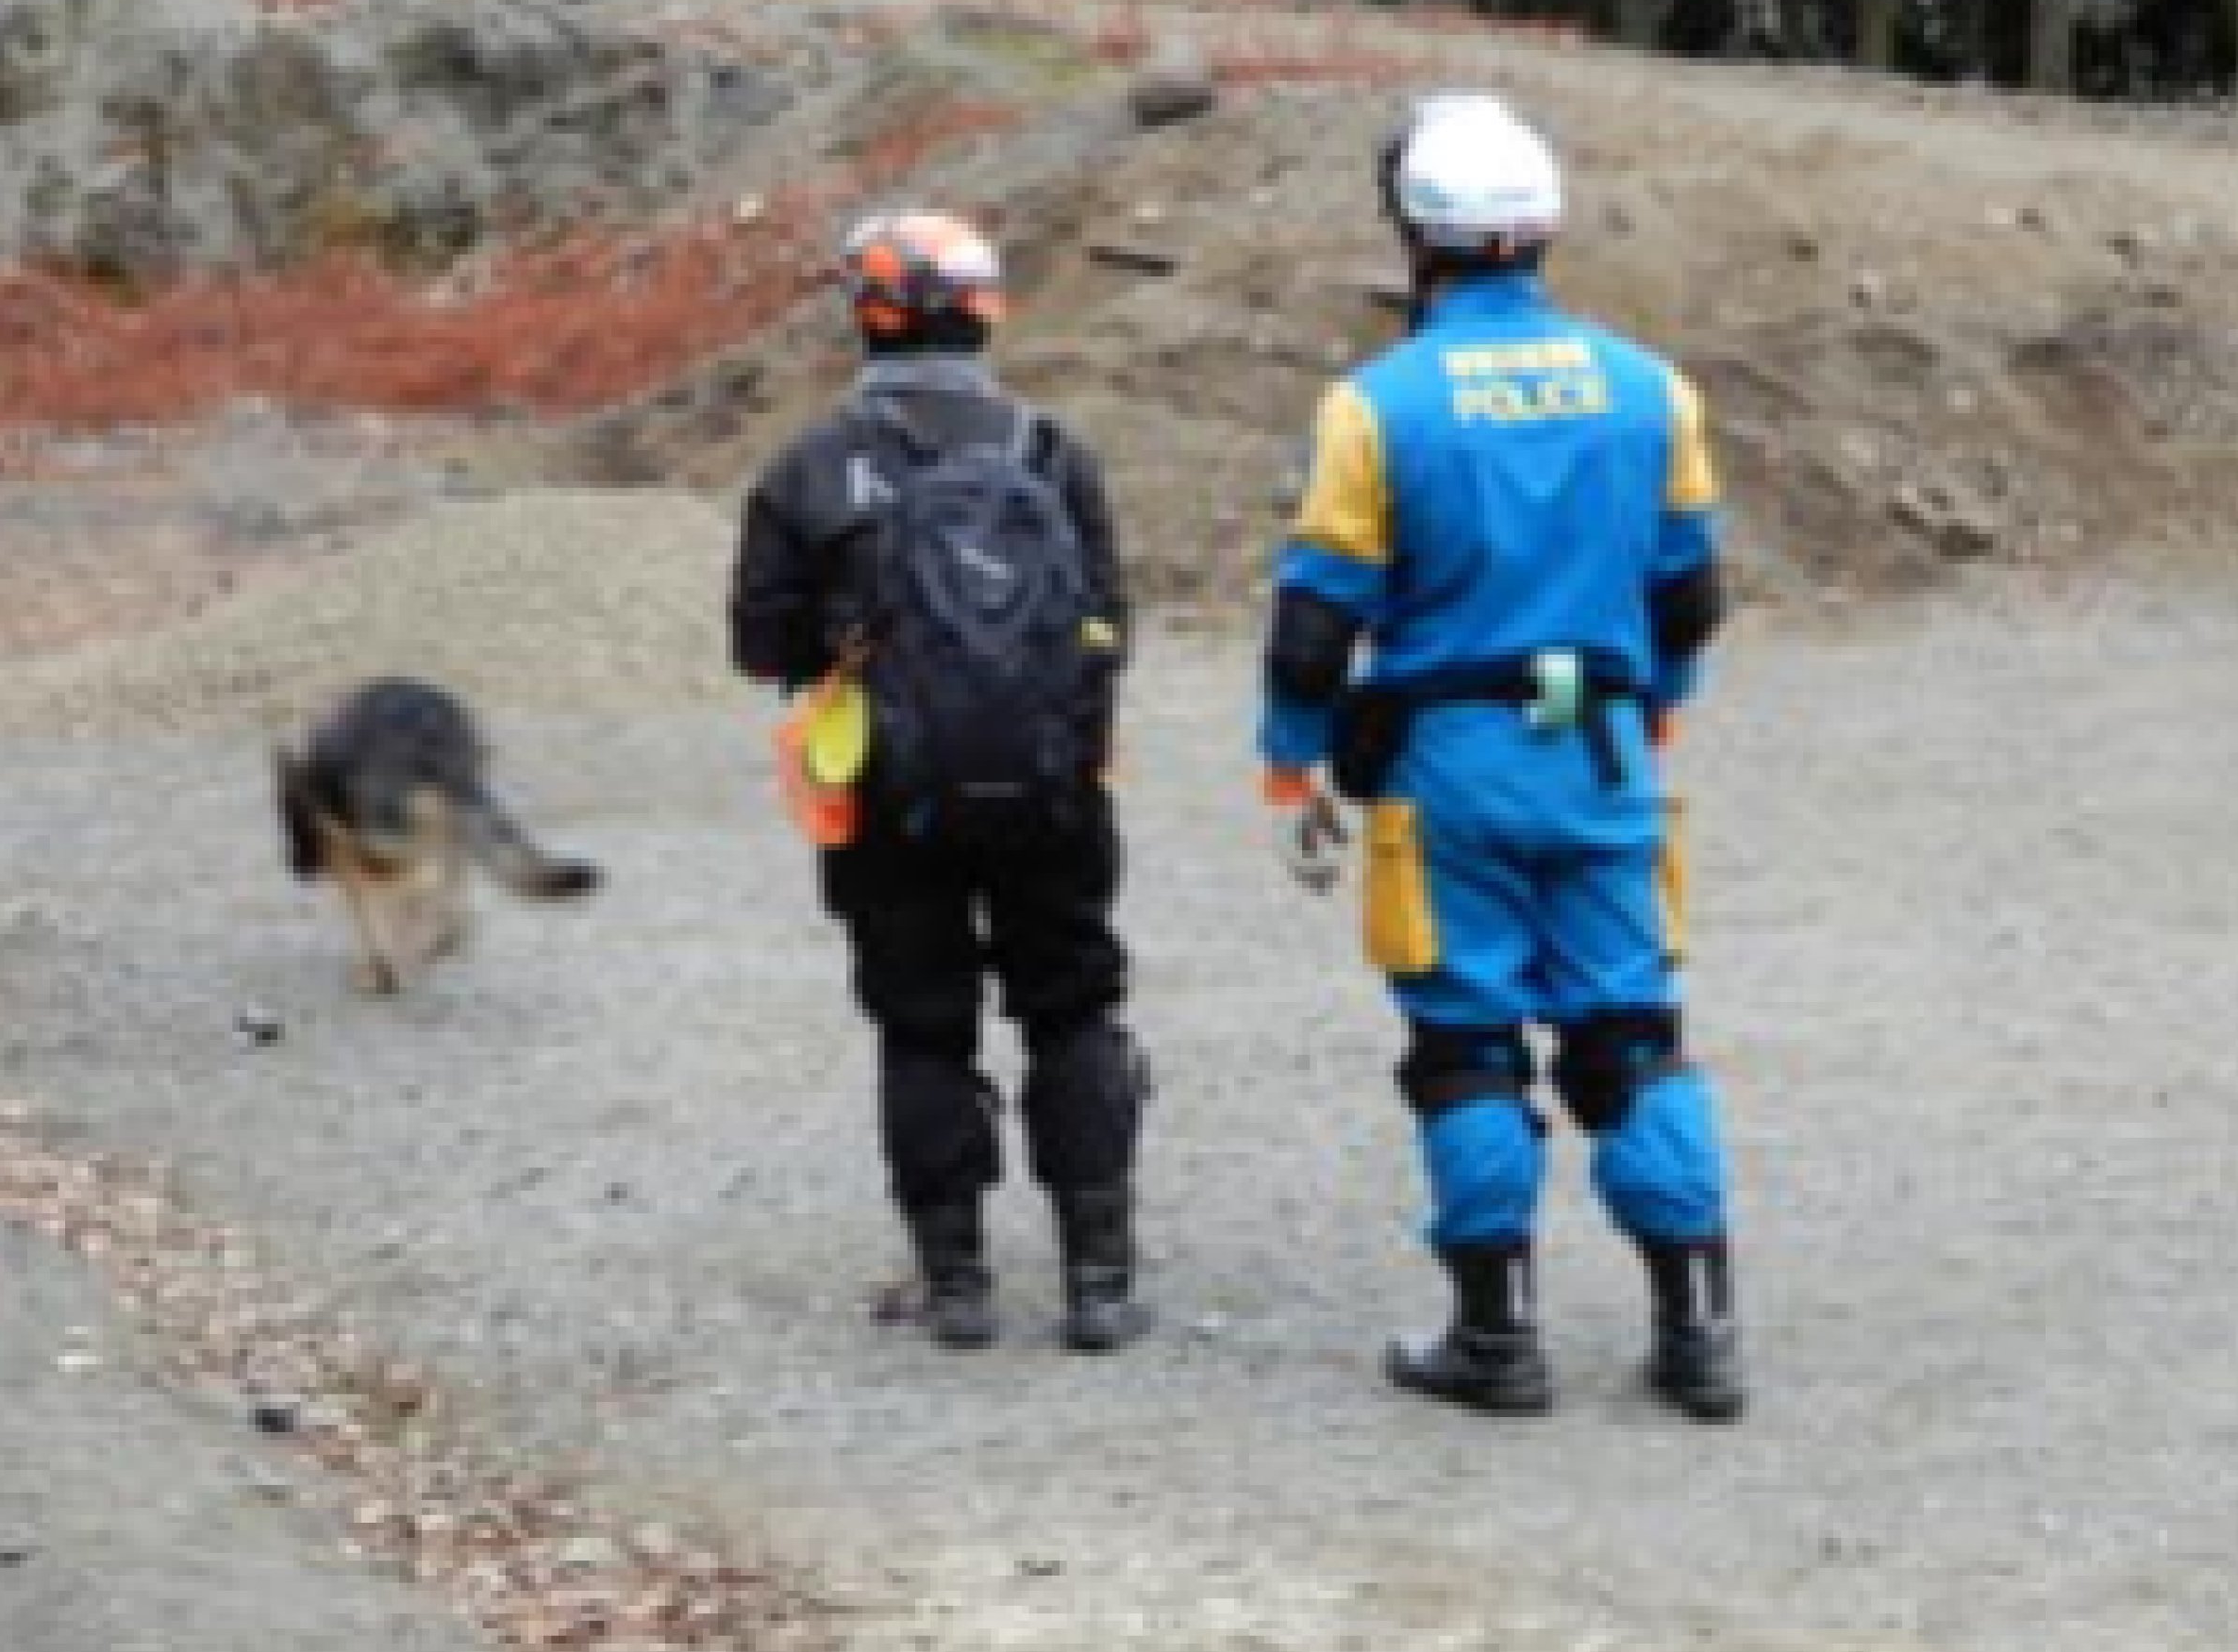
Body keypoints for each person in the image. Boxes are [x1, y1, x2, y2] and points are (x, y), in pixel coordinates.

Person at [1258, 95, 1745, 1421]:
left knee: (1466, 1047)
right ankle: (1697, 1329)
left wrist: (1292, 765)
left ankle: (1497, 1339)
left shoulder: (1376, 407)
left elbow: (1316, 626)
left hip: (1445, 769)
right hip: (1601, 759)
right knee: (1637, 1036)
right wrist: (1663, 702)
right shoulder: (1655, 390)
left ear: (1416, 233)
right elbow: (1691, 595)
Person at [731, 208, 1150, 1355]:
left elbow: (762, 648)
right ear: (986, 310)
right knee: (1073, 1008)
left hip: (885, 795)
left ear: (863, 316)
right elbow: (1108, 625)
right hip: (1056, 791)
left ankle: (956, 1283)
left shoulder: (812, 465)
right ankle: (1099, 1282)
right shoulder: (1053, 454)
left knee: (923, 1027)